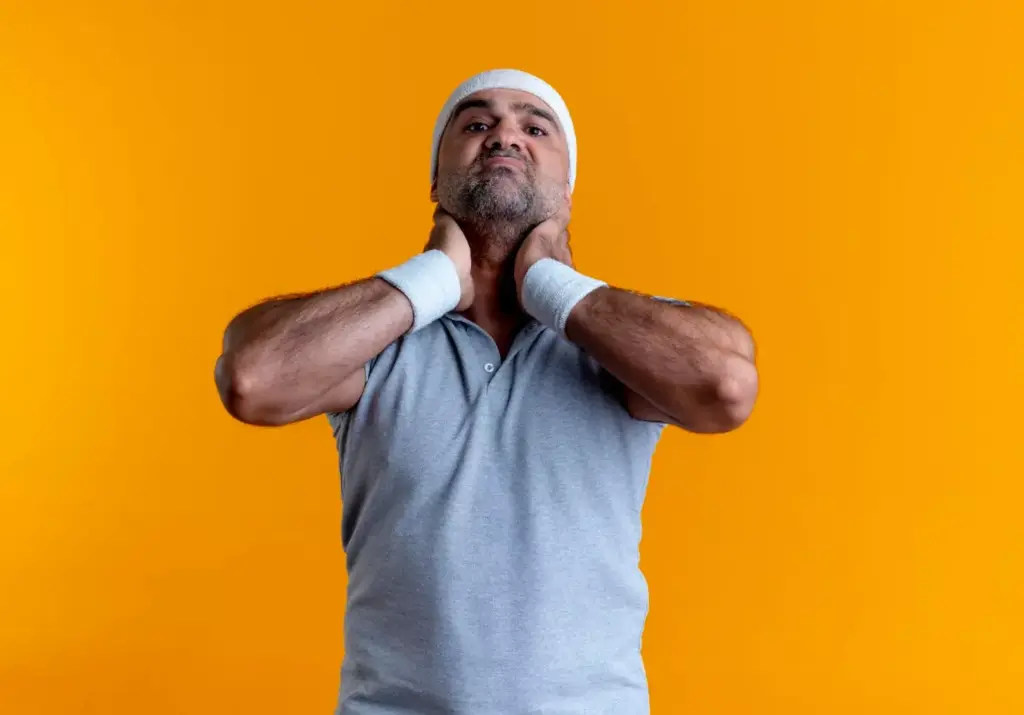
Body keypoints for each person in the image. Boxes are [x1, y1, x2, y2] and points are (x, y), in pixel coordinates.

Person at [214, 68, 759, 715]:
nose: (505, 135)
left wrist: (549, 283)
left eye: (535, 126)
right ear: (435, 181)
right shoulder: (376, 340)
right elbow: (252, 378)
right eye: (477, 123)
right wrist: (435, 277)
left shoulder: (620, 342)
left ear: (568, 188)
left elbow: (726, 383)